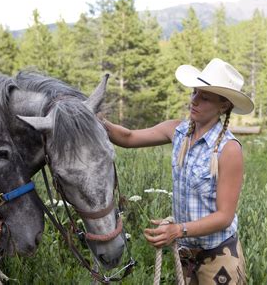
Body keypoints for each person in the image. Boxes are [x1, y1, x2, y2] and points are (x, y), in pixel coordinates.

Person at [99, 58, 253, 284]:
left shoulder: (228, 150)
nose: (195, 101)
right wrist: (93, 117)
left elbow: (224, 216)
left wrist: (178, 230)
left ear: (224, 106)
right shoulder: (177, 131)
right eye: (194, 93)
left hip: (219, 258)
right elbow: (128, 137)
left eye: (205, 97)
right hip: (186, 256)